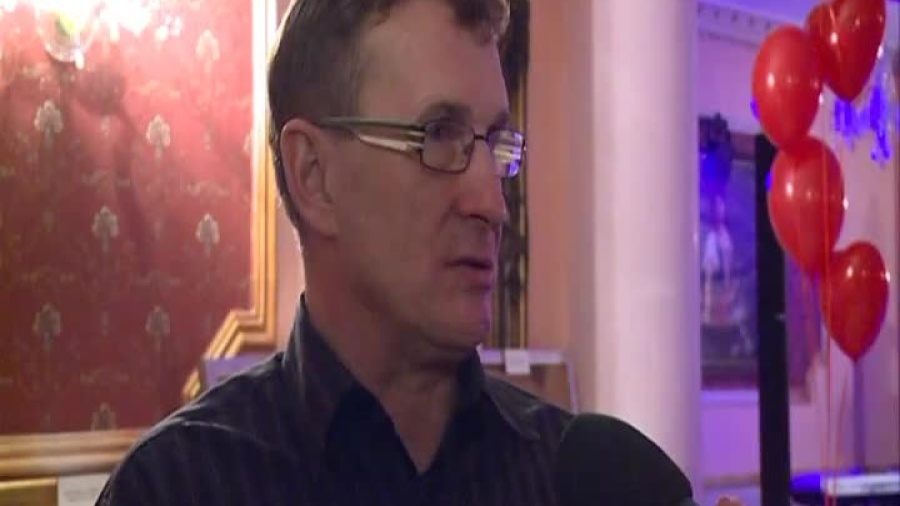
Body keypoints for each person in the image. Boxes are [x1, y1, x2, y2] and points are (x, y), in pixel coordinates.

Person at [96, 1, 744, 505]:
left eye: (495, 142)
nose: (492, 203)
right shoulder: (176, 487)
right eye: (438, 135)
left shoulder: (574, 480)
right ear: (314, 176)